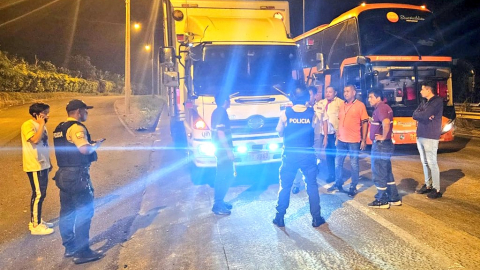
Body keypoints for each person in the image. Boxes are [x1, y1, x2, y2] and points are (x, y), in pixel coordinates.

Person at [53, 99, 105, 264]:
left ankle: (70, 247)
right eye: (85, 110)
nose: (86, 113)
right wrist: (95, 145)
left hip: (63, 174)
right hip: (77, 176)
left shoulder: (59, 129)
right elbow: (84, 149)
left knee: (67, 212)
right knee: (84, 212)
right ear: (78, 111)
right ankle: (82, 252)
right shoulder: (76, 128)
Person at [273, 87, 325, 228]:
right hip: (307, 154)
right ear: (306, 99)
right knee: (312, 186)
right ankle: (316, 218)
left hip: (289, 154)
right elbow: (317, 135)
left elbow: (279, 132)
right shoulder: (313, 114)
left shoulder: (285, 114)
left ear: (293, 99)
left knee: (285, 186)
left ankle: (279, 217)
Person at [327, 84, 368, 197]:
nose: (345, 93)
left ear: (354, 93)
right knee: (338, 163)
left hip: (354, 140)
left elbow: (365, 122)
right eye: (344, 91)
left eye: (348, 91)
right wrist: (337, 135)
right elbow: (340, 121)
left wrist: (364, 139)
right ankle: (338, 183)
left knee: (354, 164)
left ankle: (353, 186)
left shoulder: (360, 105)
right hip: (341, 140)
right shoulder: (342, 105)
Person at [21, 102, 55, 235]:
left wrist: (49, 162)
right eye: (45, 113)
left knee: (41, 193)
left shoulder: (42, 126)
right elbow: (34, 140)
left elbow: (44, 146)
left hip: (43, 164)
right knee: (39, 194)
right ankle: (35, 225)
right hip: (35, 164)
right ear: (36, 114)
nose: (47, 115)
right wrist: (41, 125)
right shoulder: (28, 125)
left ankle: (37, 220)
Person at [367, 89, 402, 208]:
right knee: (387, 171)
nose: (369, 100)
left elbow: (386, 122)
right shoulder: (385, 107)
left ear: (378, 98)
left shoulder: (381, 108)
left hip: (381, 145)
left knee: (379, 172)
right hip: (386, 145)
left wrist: (383, 136)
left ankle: (382, 199)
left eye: (371, 97)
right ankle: (394, 197)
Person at [413, 81, 444, 199]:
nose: (420, 91)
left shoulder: (437, 101)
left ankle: (436, 189)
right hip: (421, 134)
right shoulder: (424, 102)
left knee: (432, 162)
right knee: (425, 162)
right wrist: (422, 114)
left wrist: (423, 114)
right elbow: (414, 114)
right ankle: (428, 185)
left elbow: (424, 115)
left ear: (428, 90)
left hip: (430, 135)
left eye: (422, 89)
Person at [292, 86, 321, 194]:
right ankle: (296, 184)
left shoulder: (319, 106)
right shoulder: (300, 108)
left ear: (314, 95)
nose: (309, 97)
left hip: (314, 140)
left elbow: (319, 128)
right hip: (303, 142)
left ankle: (310, 184)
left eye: (310, 94)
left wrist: (318, 144)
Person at [210, 93, 235, 215]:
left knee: (228, 174)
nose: (230, 102)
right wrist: (229, 151)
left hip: (220, 150)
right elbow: (221, 133)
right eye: (229, 100)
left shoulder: (217, 112)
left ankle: (220, 201)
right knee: (223, 176)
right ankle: (218, 204)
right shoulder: (221, 112)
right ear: (225, 100)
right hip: (222, 151)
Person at [316, 86, 343, 183]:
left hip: (334, 134)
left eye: (330, 92)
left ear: (335, 93)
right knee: (328, 155)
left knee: (336, 155)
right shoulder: (321, 103)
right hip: (324, 133)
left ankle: (338, 176)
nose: (328, 93)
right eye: (326, 91)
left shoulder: (340, 103)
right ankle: (331, 174)